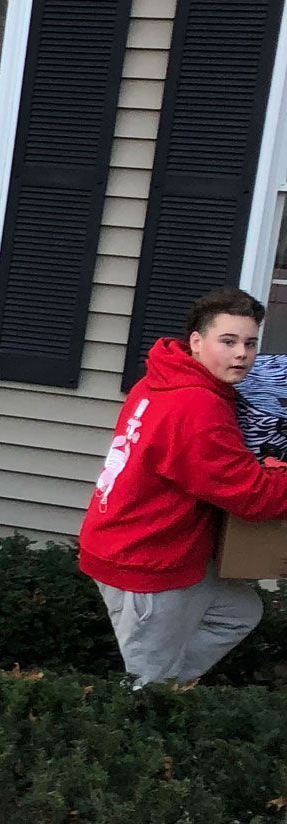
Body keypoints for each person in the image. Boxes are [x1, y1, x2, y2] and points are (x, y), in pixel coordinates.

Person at [78, 287, 287, 687]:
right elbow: (254, 497)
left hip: (147, 539)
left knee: (237, 612)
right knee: (147, 684)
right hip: (146, 559)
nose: (241, 354)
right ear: (196, 341)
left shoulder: (163, 378)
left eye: (249, 343)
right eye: (228, 341)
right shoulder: (196, 406)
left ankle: (167, 684)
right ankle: (140, 714)